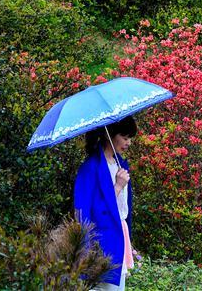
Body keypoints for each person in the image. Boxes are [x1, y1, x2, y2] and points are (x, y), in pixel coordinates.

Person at [74, 116, 138, 290]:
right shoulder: (91, 167)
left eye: (130, 138)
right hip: (100, 241)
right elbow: (87, 212)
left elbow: (124, 209)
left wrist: (128, 240)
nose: (129, 142)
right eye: (125, 137)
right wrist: (117, 186)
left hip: (118, 237)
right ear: (110, 135)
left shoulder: (121, 164)